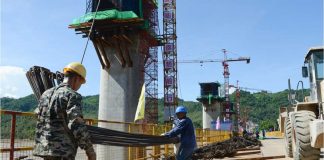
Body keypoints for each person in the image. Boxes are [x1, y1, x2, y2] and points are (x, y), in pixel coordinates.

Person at [33, 62, 96, 160]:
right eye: (81, 83)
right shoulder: (72, 95)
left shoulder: (45, 94)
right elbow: (76, 124)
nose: (79, 86)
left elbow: (37, 114)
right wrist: (90, 151)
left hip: (44, 149)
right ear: (77, 79)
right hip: (62, 151)